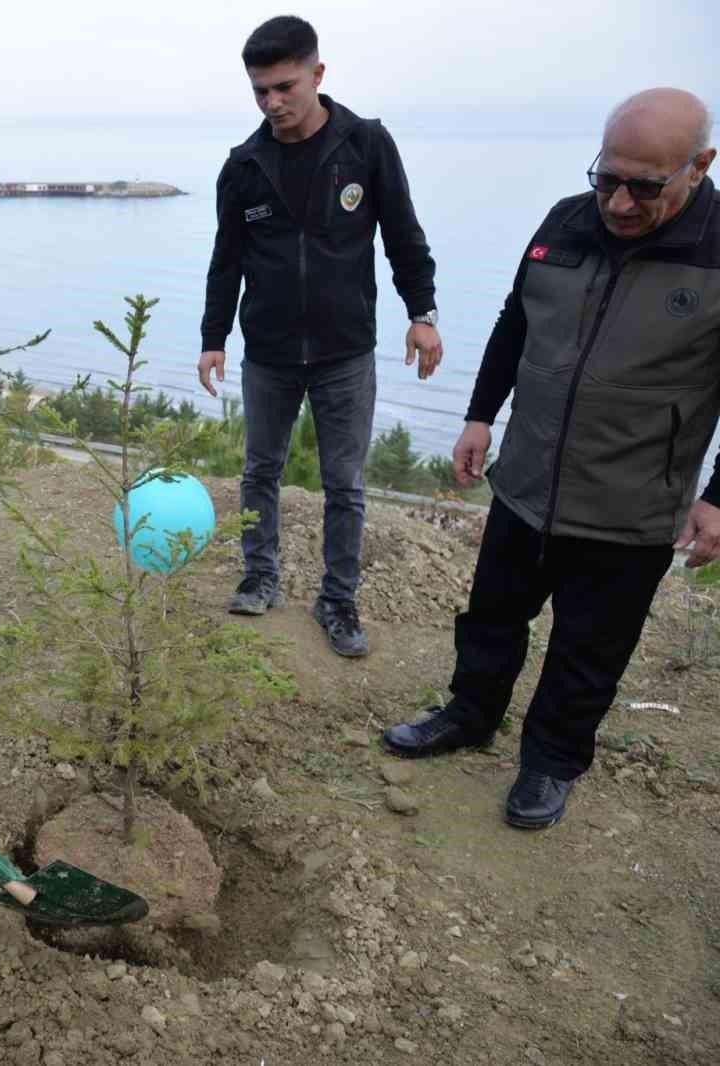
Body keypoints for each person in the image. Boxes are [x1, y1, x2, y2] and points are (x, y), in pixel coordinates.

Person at [382, 88, 720, 830]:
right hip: (528, 479)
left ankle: (550, 763)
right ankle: (470, 714)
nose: (620, 203)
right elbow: (515, 320)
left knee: (587, 649)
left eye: (645, 186)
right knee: (493, 617)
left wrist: (719, 495)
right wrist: (479, 416)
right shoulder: (565, 221)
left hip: (632, 503)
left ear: (700, 165)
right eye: (609, 178)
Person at [198, 15, 442, 658]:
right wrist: (213, 336)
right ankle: (260, 575)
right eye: (260, 91)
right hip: (270, 352)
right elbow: (226, 260)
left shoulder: (366, 144)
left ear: (318, 74)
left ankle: (338, 599)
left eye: (285, 86)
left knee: (345, 485)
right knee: (260, 471)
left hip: (345, 351)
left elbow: (404, 236)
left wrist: (424, 313)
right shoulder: (244, 165)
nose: (273, 102)